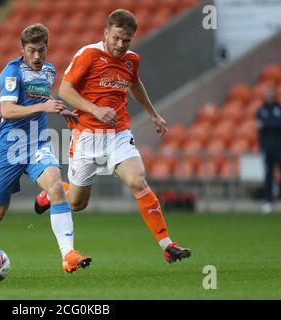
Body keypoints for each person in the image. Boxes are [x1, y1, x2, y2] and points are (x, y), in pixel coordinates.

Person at [34, 9, 191, 263]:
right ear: (106, 33)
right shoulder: (89, 55)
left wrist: (153, 114)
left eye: (126, 40)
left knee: (138, 180)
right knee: (76, 203)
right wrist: (95, 109)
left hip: (118, 135)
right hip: (85, 137)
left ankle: (166, 244)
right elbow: (64, 89)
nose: (120, 44)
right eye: (116, 38)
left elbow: (135, 84)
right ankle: (54, 193)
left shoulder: (131, 60)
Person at [0, 23, 91, 275]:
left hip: (37, 143)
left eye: (41, 50)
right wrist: (44, 108)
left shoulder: (49, 70)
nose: (37, 57)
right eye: (32, 51)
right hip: (7, 148)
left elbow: (40, 98)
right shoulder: (11, 73)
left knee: (56, 186)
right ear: (22, 49)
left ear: (47, 48)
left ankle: (68, 255)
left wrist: (59, 108)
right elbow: (7, 111)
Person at [256, 84, 281, 214]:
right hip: (266, 148)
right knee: (268, 175)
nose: (269, 95)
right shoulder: (260, 110)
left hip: (280, 147)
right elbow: (259, 125)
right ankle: (269, 202)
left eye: (271, 92)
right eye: (267, 92)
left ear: (275, 94)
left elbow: (279, 124)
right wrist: (271, 125)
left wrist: (265, 125)